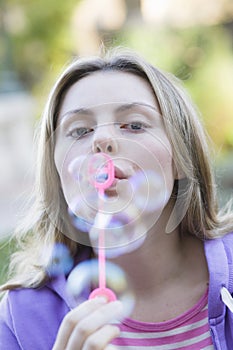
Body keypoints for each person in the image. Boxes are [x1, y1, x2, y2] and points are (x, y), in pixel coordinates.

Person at [0, 48, 233, 350]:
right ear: (57, 173)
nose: (101, 140)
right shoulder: (19, 320)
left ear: (180, 157)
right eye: (80, 130)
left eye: (134, 125)